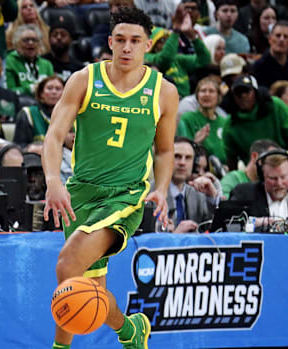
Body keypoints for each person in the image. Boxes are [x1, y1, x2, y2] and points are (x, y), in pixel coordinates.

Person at [42, 7, 178, 349]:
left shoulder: (164, 92)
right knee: (91, 290)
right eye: (121, 40)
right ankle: (130, 331)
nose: (127, 48)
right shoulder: (84, 79)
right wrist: (53, 181)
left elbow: (163, 151)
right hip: (81, 194)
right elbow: (55, 135)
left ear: (148, 45)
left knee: (67, 265)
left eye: (135, 41)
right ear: (110, 42)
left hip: (126, 196)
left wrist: (161, 189)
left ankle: (60, 347)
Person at [222, 74, 288, 170]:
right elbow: (231, 158)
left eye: (247, 91)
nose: (243, 96)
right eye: (238, 93)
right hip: (254, 170)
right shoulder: (230, 125)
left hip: (286, 162)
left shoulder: (275, 105)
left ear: (255, 92)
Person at [229, 149, 288, 230]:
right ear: (262, 176)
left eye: (283, 177)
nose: (279, 183)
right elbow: (229, 223)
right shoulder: (245, 194)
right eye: (272, 178)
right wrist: (255, 223)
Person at [144, 7, 211, 98]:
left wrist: (192, 36)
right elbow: (165, 58)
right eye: (162, 40)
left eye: (168, 40)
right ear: (152, 43)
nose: (167, 43)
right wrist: (176, 31)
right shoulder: (147, 58)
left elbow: (204, 59)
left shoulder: (178, 59)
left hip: (184, 100)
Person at [163, 138, 215, 233]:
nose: (182, 162)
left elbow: (213, 229)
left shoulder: (199, 195)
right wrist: (175, 236)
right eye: (177, 156)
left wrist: (212, 198)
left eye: (188, 158)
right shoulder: (150, 193)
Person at [177, 77, 228, 164]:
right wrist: (195, 142)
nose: (206, 94)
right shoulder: (188, 118)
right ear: (197, 96)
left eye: (211, 91)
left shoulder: (225, 122)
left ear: (218, 97)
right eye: (203, 91)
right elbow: (181, 150)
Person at [252, 21, 288, 89]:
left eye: (286, 37)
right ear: (270, 39)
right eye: (278, 35)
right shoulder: (259, 66)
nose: (281, 39)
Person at [13, 75, 64, 147]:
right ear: (41, 94)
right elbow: (19, 145)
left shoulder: (71, 115)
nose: (54, 92)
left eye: (58, 89)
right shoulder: (28, 113)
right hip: (34, 156)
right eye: (49, 88)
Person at [5, 24, 55, 97]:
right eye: (26, 40)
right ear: (16, 44)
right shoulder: (9, 61)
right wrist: (30, 89)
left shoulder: (47, 65)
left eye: (34, 40)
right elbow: (8, 91)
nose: (31, 43)